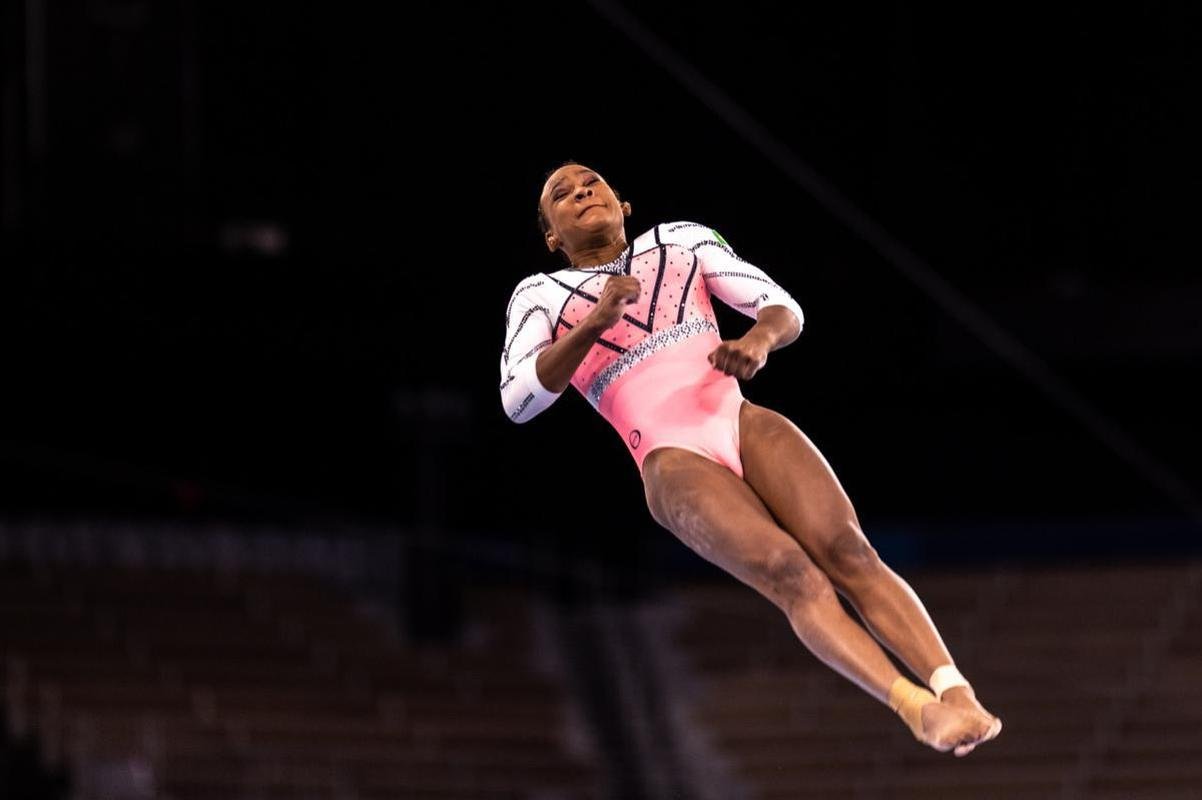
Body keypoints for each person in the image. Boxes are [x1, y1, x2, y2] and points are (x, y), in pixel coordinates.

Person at [500, 162, 1002, 755]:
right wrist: (594, 325)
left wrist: (757, 341)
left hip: (739, 418)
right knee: (791, 572)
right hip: (669, 456)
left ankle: (958, 695)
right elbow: (518, 400)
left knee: (849, 550)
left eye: (592, 182)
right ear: (553, 237)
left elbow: (780, 307)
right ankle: (917, 708)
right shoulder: (539, 294)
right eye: (562, 193)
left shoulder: (680, 241)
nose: (582, 191)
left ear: (623, 203)